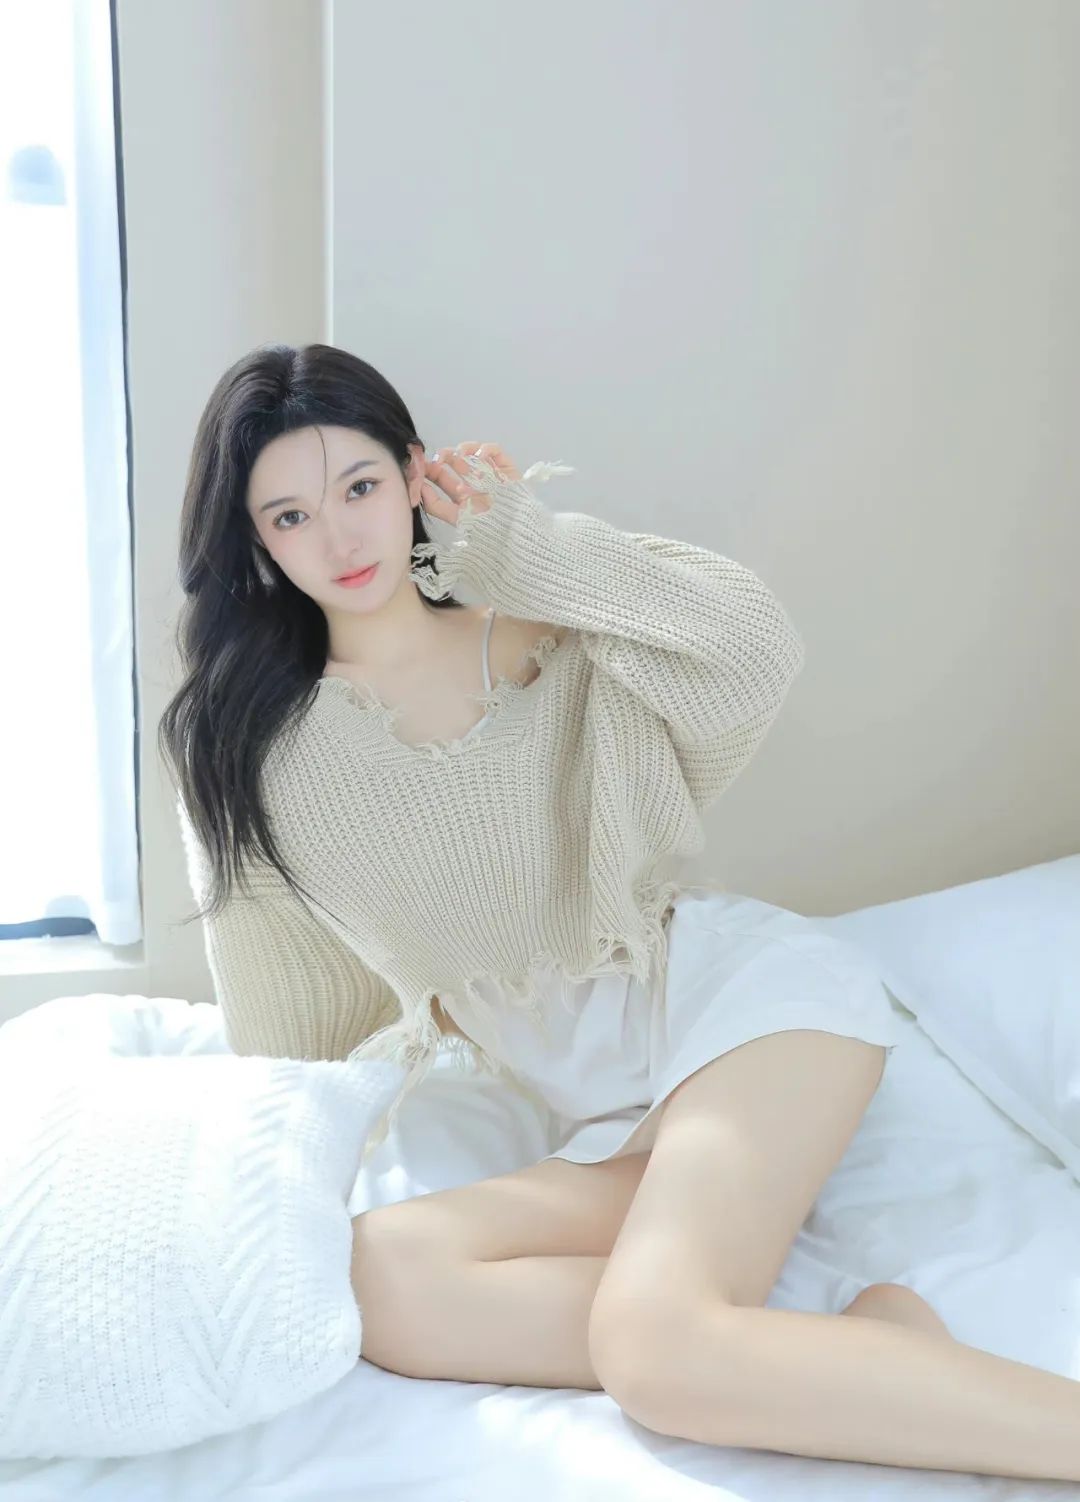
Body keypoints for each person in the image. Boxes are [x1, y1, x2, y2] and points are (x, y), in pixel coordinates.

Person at [159, 342, 1080, 1482]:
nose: (341, 538)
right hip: (608, 1114)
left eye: (360, 488)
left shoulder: (539, 638)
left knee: (653, 1349)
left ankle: (770, 1354)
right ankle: (853, 1357)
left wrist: (534, 555)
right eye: (292, 516)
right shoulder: (251, 753)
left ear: (412, 476)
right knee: (379, 1274)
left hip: (740, 1009)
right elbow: (285, 1011)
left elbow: (755, 651)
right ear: (256, 542)